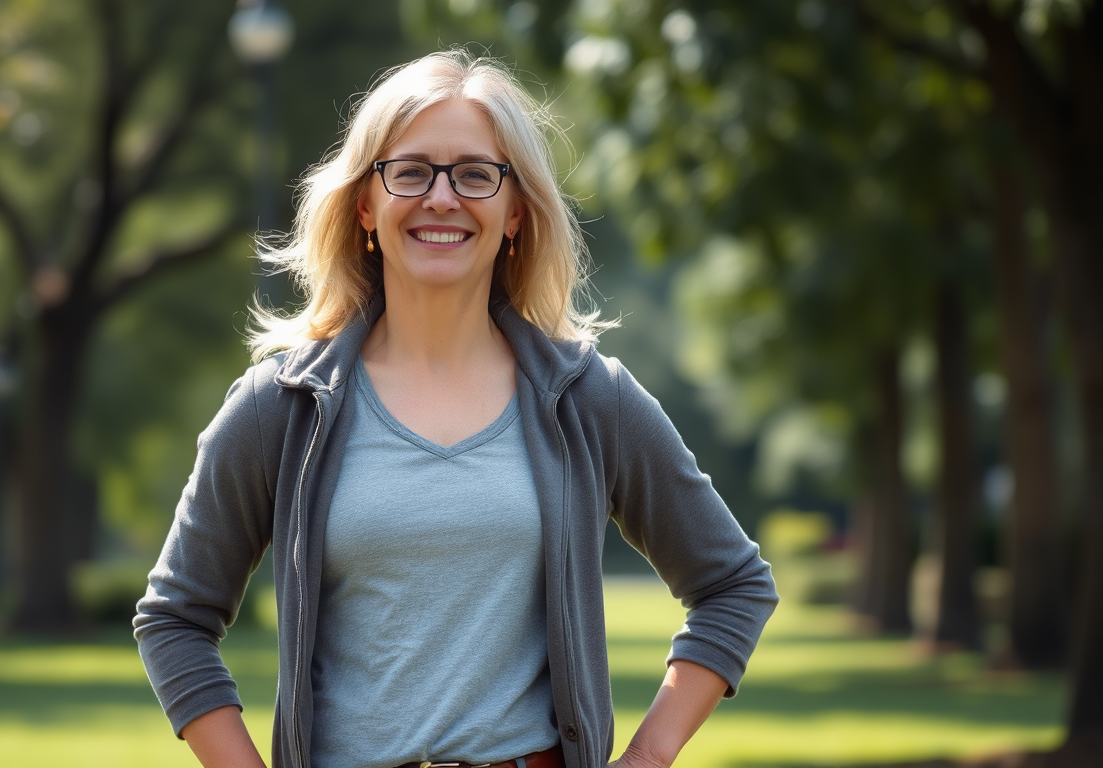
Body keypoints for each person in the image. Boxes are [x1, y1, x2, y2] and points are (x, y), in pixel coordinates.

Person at [134, 50, 778, 768]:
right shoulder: (278, 407)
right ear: (365, 206)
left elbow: (732, 585)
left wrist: (649, 755)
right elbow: (175, 621)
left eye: (476, 174)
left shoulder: (590, 399)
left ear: (515, 214)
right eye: (410, 171)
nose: (442, 198)